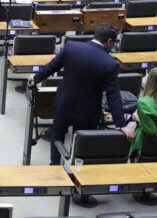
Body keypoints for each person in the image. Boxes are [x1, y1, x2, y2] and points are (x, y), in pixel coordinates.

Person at [27, 25, 131, 165]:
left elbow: (52, 66)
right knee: (81, 141)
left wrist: (35, 78)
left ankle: (55, 165)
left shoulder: (71, 47)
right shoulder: (110, 63)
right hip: (88, 110)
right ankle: (76, 168)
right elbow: (113, 96)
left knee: (57, 133)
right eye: (114, 43)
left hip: (64, 103)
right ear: (109, 41)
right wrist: (121, 124)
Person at [122, 67, 157, 154]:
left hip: (148, 144)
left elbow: (151, 131)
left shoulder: (143, 102)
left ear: (150, 82)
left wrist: (138, 118)